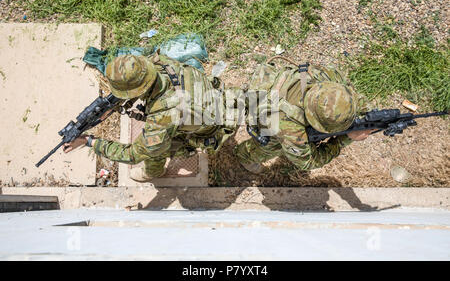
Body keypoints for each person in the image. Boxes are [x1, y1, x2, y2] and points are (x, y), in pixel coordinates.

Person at [63, 53, 236, 182]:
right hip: (208, 95)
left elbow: (132, 154)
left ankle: (153, 172)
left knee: (154, 151)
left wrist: (88, 141)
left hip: (209, 129)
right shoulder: (160, 63)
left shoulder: (163, 117)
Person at [234, 56, 374, 174]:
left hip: (281, 88)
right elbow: (308, 162)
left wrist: (370, 113)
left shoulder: (329, 77)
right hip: (272, 114)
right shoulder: (289, 127)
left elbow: (350, 96)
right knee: (270, 146)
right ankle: (244, 156)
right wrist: (345, 139)